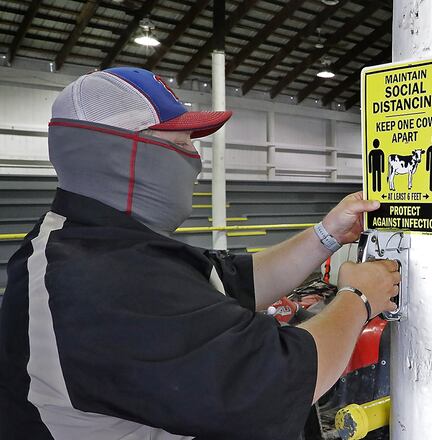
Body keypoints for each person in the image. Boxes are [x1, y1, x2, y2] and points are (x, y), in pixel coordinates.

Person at [0, 67, 399, 440]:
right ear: (120, 152)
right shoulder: (91, 278)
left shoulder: (102, 242)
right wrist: (358, 299)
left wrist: (327, 234)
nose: (195, 157)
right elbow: (273, 380)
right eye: (180, 142)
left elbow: (235, 281)